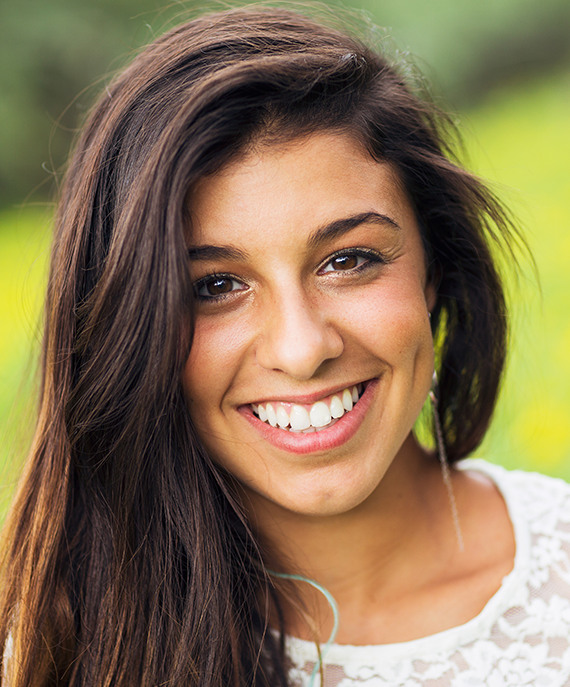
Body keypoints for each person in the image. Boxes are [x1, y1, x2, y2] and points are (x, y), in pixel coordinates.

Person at [1, 5, 570, 686]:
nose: (302, 349)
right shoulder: (53, 647)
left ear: (434, 270)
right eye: (215, 285)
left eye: (349, 260)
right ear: (129, 329)